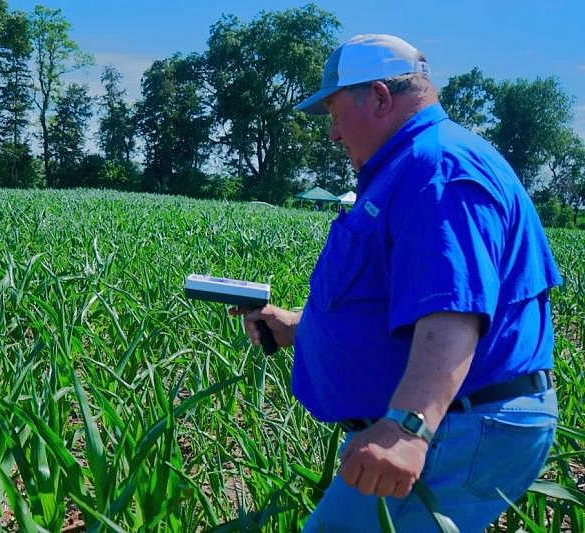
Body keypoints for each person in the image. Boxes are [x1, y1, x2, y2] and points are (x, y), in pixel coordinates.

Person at [232, 34, 561, 531]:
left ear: (381, 98)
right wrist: (298, 326)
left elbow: (454, 311)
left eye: (336, 114)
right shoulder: (410, 167)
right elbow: (395, 303)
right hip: (454, 421)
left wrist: (409, 427)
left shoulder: (438, 169)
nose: (333, 135)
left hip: (458, 423)